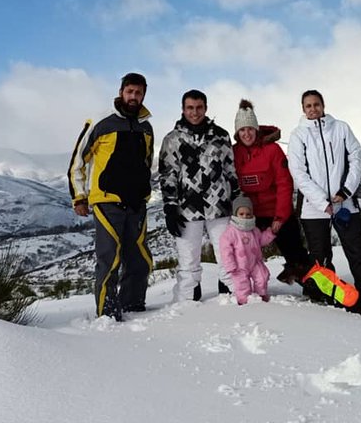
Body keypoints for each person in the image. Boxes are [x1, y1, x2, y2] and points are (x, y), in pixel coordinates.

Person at [288, 89, 361, 319]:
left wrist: (345, 191)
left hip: (345, 205)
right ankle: (326, 302)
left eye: (316, 104)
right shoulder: (298, 136)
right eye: (308, 106)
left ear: (323, 105)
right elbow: (298, 172)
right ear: (303, 109)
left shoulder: (341, 128)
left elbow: (356, 158)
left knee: (358, 253)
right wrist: (321, 201)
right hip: (313, 209)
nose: (313, 109)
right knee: (320, 259)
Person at [69, 72, 155, 321]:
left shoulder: (146, 127)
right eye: (130, 92)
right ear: (121, 92)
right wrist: (79, 196)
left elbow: (146, 163)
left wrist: (144, 192)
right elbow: (78, 161)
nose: (133, 97)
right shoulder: (100, 121)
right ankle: (106, 312)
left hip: (137, 202)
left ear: (143, 95)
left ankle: (133, 305)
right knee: (109, 259)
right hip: (107, 201)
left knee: (139, 260)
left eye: (138, 93)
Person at [158, 89, 240, 302]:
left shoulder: (221, 135)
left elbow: (231, 170)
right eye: (190, 108)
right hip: (187, 207)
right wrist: (169, 206)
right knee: (188, 258)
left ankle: (231, 293)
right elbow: (168, 174)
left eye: (199, 107)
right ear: (183, 109)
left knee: (226, 253)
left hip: (220, 204)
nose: (195, 112)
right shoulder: (172, 139)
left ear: (206, 108)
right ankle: (188, 299)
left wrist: (238, 199)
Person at [231, 99, 311, 284]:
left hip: (276, 211)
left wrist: (280, 217)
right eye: (242, 130)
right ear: (237, 133)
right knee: (239, 253)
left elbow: (285, 184)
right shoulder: (234, 153)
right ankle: (234, 290)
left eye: (250, 128)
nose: (247, 133)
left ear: (256, 129)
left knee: (296, 256)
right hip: (250, 215)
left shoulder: (272, 150)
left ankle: (314, 290)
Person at [219, 196, 274, 305]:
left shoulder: (254, 229)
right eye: (241, 214)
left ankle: (261, 295)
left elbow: (261, 241)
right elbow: (225, 250)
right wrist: (230, 265)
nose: (245, 217)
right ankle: (244, 302)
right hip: (239, 266)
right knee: (242, 284)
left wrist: (270, 234)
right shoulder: (230, 232)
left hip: (254, 262)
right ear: (235, 214)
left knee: (262, 277)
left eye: (248, 214)